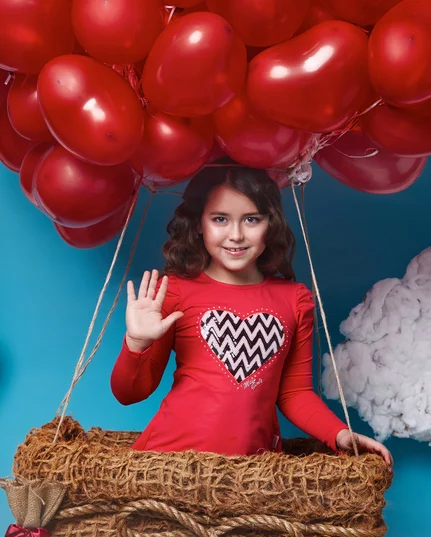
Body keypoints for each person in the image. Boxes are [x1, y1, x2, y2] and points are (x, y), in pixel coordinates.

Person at [110, 162, 393, 471]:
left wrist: (339, 434)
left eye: (251, 219)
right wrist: (136, 343)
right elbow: (129, 394)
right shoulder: (175, 292)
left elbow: (295, 393)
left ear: (270, 224)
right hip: (168, 465)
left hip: (252, 474)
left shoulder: (294, 299)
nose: (236, 235)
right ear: (199, 223)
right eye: (220, 219)